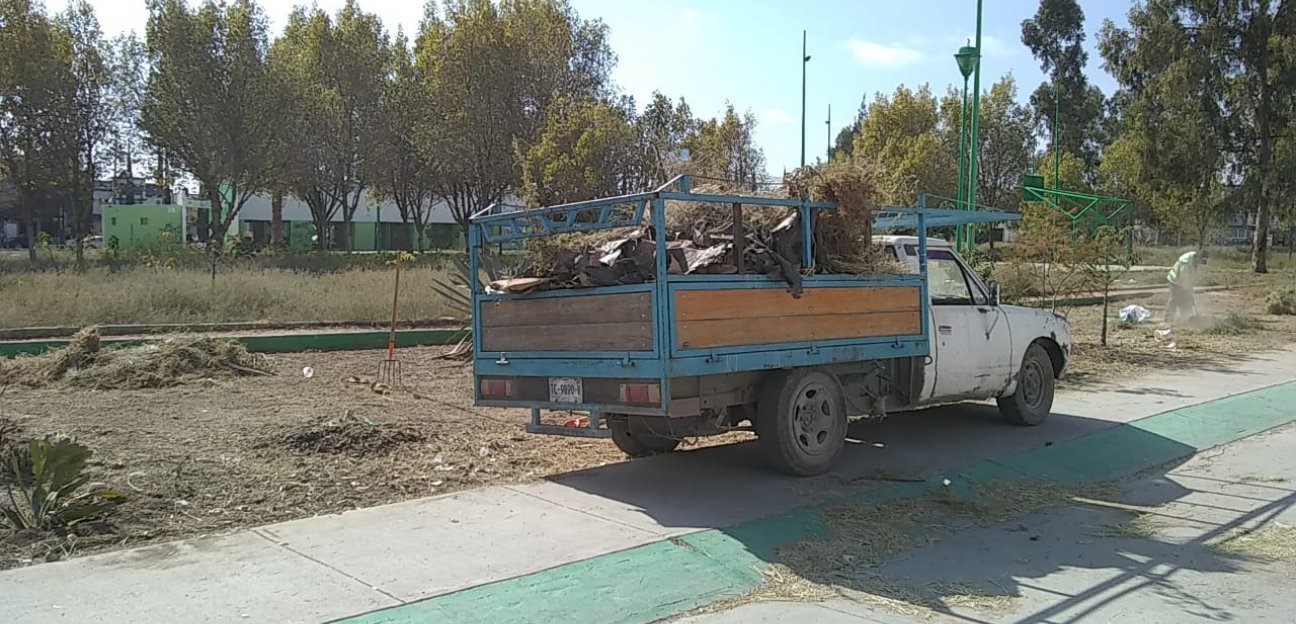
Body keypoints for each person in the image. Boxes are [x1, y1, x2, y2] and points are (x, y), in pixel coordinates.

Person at [1166, 249, 1209, 322]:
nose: (1200, 264)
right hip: (1175, 280)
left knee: (1185, 300)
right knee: (1174, 300)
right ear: (1198, 258)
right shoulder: (1186, 262)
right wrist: (1188, 291)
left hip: (1183, 282)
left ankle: (1187, 318)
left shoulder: (1194, 259)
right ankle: (1168, 320)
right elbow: (1184, 278)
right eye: (1201, 261)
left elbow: (1190, 277)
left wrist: (1190, 290)